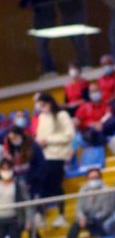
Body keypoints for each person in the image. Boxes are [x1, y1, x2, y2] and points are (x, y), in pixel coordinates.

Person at [35, 92, 75, 226]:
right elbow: (40, 135)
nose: (42, 107)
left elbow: (69, 135)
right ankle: (42, 213)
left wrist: (48, 140)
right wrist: (39, 141)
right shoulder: (41, 117)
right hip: (44, 156)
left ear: (50, 102)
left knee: (56, 185)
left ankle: (61, 215)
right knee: (41, 184)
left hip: (58, 156)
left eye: (44, 104)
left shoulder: (62, 115)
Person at [49, 0, 90, 65]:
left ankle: (85, 62)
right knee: (72, 39)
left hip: (76, 10)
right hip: (65, 13)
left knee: (79, 38)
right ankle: (80, 62)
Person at [20, 0, 58, 75]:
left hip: (48, 16)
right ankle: (48, 69)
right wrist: (29, 4)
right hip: (38, 19)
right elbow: (23, 2)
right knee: (41, 47)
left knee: (43, 45)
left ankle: (51, 69)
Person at [67, 167, 115, 238]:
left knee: (97, 223)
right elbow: (79, 208)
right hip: (87, 218)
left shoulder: (106, 190)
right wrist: (82, 217)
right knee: (76, 223)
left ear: (100, 178)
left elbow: (107, 211)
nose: (94, 180)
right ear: (87, 179)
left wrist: (93, 218)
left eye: (96, 178)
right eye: (91, 178)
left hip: (101, 218)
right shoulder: (83, 190)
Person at [0, 160, 28, 238]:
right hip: (1, 221)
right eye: (3, 168)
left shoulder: (19, 184)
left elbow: (27, 202)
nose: (6, 171)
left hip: (14, 220)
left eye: (8, 168)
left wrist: (28, 220)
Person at [75, 81, 115, 145]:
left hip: (103, 127)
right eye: (92, 92)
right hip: (90, 129)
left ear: (100, 92)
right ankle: (102, 139)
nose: (95, 93)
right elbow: (78, 120)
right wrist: (93, 124)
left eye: (96, 91)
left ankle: (99, 138)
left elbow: (108, 115)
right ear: (89, 94)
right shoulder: (84, 106)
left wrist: (100, 123)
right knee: (90, 132)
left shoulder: (106, 105)